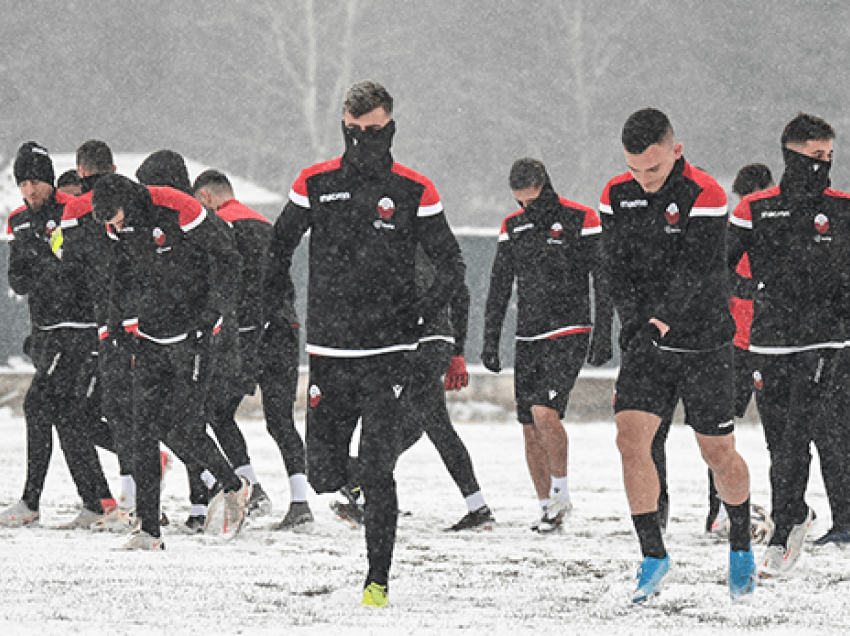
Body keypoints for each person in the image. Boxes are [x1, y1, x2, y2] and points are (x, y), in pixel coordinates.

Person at [271, 80, 465, 608]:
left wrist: (422, 315)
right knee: (323, 475)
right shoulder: (315, 181)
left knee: (378, 473)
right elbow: (278, 245)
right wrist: (274, 301)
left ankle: (376, 583)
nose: (361, 141)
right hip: (329, 356)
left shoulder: (413, 188)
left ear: (391, 129)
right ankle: (359, 486)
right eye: (352, 131)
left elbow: (452, 262)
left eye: (372, 132)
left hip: (388, 359)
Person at [599, 108, 755, 602]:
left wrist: (657, 323)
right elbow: (615, 267)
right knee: (631, 439)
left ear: (676, 151)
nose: (643, 181)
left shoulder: (705, 194)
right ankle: (653, 555)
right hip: (649, 343)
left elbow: (696, 271)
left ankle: (742, 540)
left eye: (653, 170)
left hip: (704, 342)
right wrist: (626, 325)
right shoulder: (615, 194)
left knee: (717, 453)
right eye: (634, 170)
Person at [90, 173, 252, 549]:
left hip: (194, 337)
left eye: (113, 216)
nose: (112, 225)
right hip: (149, 336)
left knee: (183, 429)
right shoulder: (119, 228)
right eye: (105, 222)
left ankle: (233, 485)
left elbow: (227, 258)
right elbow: (121, 275)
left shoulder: (178, 207)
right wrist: (114, 324)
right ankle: (149, 530)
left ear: (128, 202)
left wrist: (214, 313)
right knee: (143, 428)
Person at [728, 114, 850, 576]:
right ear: (791, 155)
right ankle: (794, 514)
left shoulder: (842, 207)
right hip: (769, 345)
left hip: (827, 345)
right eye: (816, 157)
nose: (824, 166)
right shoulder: (755, 208)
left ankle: (782, 533)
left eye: (830, 157)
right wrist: (747, 293)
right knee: (780, 444)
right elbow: (721, 264)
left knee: (807, 437)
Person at [135, 151, 270, 532]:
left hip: (205, 343)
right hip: (181, 340)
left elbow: (226, 277)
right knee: (177, 424)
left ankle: (230, 488)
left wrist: (212, 321)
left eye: (151, 186)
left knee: (189, 423)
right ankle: (214, 493)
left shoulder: (198, 223)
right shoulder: (159, 225)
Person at [481, 158, 611, 534]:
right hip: (528, 336)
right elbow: (500, 286)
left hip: (568, 331)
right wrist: (491, 339)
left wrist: (602, 333)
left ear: (546, 188)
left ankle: (561, 493)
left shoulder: (580, 219)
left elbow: (602, 282)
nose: (526, 210)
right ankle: (546, 509)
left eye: (532, 203)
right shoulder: (512, 226)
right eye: (520, 203)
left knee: (544, 412)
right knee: (527, 424)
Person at [0, 142, 117, 529]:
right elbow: (18, 277)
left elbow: (83, 273)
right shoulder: (17, 220)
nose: (29, 190)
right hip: (48, 334)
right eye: (23, 183)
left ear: (50, 180)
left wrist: (50, 270)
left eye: (35, 181)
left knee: (39, 406)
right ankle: (100, 499)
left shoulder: (74, 210)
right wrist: (47, 269)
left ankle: (33, 501)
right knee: (69, 417)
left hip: (80, 332)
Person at [193, 168, 314, 531]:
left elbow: (229, 286)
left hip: (247, 333)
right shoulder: (267, 224)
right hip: (285, 329)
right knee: (281, 421)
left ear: (208, 197)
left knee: (217, 411)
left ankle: (251, 487)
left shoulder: (221, 225)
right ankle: (300, 503)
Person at [331, 271, 494, 532]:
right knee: (418, 424)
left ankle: (364, 485)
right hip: (436, 342)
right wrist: (456, 349)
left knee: (414, 423)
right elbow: (460, 294)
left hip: (413, 345)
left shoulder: (390, 241)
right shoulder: (435, 244)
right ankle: (367, 487)